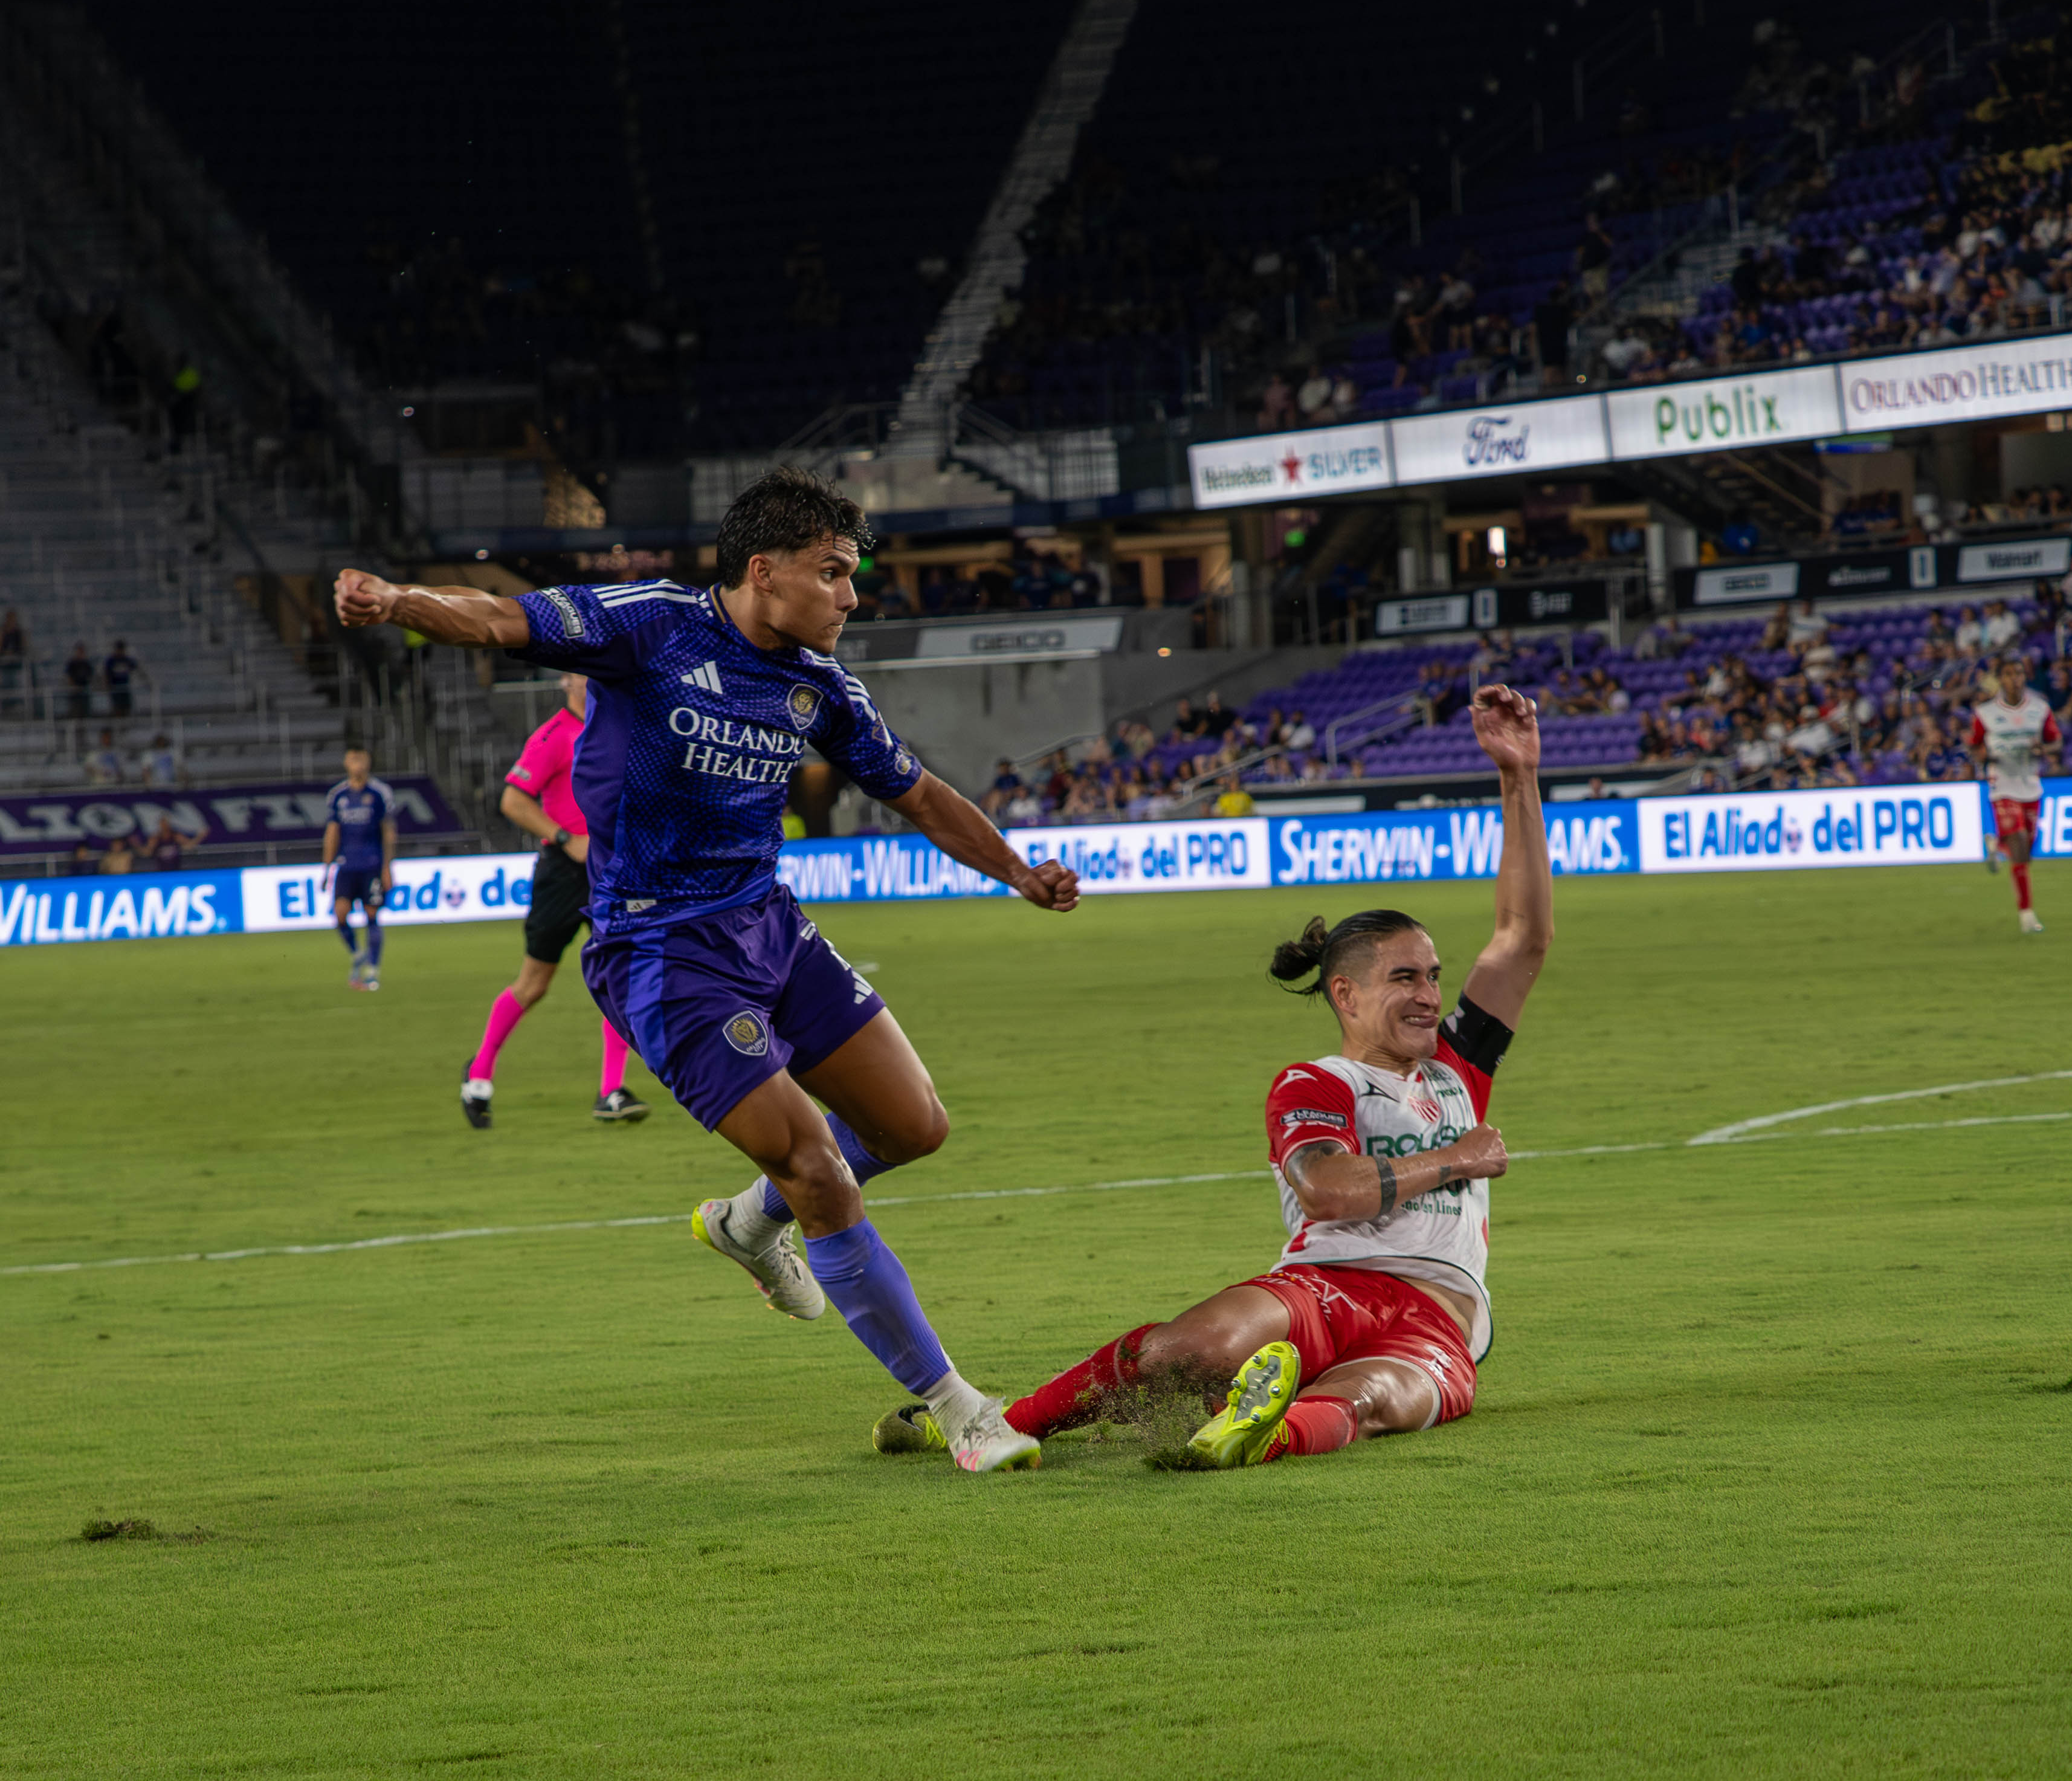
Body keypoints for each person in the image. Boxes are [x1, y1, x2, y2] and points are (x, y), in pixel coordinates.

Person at [334, 464, 1080, 1476]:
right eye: (832, 573)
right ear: (763, 571)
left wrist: (1015, 871)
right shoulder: (649, 626)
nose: (850, 597)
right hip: (659, 951)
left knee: (913, 1127)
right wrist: (399, 603)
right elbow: (502, 620)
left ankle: (744, 1222)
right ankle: (959, 1408)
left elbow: (917, 792)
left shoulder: (818, 687)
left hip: (768, 927)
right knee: (817, 1166)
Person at [873, 685, 1551, 1469]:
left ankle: (1248, 1431)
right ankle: (992, 1422)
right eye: (1406, 977)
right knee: (1180, 1352)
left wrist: (1519, 775)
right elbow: (1329, 1191)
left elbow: (1521, 936)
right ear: (1347, 993)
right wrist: (1455, 1158)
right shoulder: (1314, 1082)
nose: (1431, 994)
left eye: (1434, 975)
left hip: (1438, 1309)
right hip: (1321, 1285)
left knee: (1378, 1399)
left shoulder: (1457, 1064)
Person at [460, 673, 648, 1130]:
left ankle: (611, 1091)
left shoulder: (617, 727)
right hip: (563, 873)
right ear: (566, 681)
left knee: (621, 979)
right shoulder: (552, 735)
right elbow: (513, 801)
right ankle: (479, 1075)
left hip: (610, 870)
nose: (592, 679)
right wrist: (566, 838)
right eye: (582, 673)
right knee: (533, 983)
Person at [1967, 654, 2062, 934]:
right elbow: (1974, 746)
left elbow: (2055, 741)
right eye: (2008, 674)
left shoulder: (2040, 708)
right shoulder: (1985, 713)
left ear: (2025, 677)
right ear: (2001, 679)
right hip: (2002, 785)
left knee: (2025, 854)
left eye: (2018, 674)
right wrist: (1986, 757)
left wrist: (2043, 750)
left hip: (2030, 785)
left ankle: (1997, 845)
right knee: (2020, 844)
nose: (2014, 679)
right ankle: (2027, 915)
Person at [321, 746, 396, 990]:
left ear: (368, 761)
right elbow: (332, 832)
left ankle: (373, 970)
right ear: (346, 762)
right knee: (340, 914)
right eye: (353, 758)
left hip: (372, 864)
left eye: (361, 758)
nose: (358, 763)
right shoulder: (338, 795)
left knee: (372, 914)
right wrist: (327, 868)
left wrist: (387, 866)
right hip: (346, 865)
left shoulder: (379, 793)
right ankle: (357, 954)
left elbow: (388, 831)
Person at [102, 641, 139, 720]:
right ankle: (118, 724)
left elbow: (136, 667)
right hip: (115, 688)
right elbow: (106, 674)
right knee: (117, 708)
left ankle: (125, 726)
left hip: (125, 688)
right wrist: (108, 686)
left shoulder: (126, 659)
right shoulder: (111, 660)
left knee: (126, 708)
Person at [62, 643, 94, 720]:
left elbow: (91, 676)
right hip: (75, 692)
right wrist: (74, 687)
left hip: (85, 691)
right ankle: (76, 730)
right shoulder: (72, 663)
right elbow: (69, 677)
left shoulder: (86, 663)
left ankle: (84, 730)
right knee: (76, 713)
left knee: (85, 713)